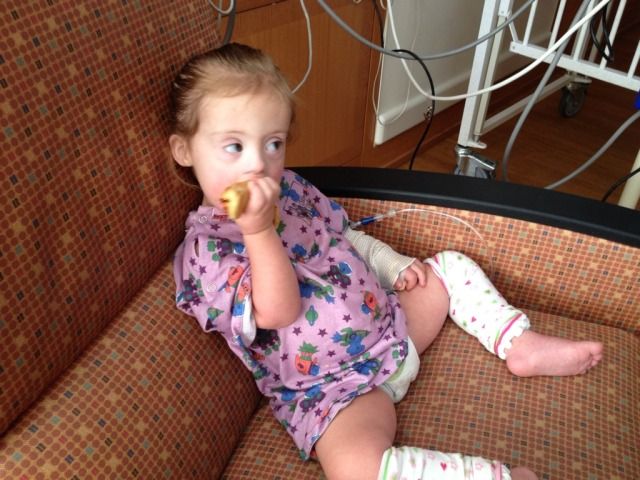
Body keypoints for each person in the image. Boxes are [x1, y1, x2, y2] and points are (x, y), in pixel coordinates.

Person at [168, 43, 603, 480]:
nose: (258, 165)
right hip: (335, 390)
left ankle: (519, 344)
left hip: (393, 325)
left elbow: (344, 236)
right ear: (184, 150)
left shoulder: (292, 188)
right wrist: (258, 231)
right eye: (234, 146)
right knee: (355, 469)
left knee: (451, 267)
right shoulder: (206, 252)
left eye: (274, 143)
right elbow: (277, 311)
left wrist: (391, 263)